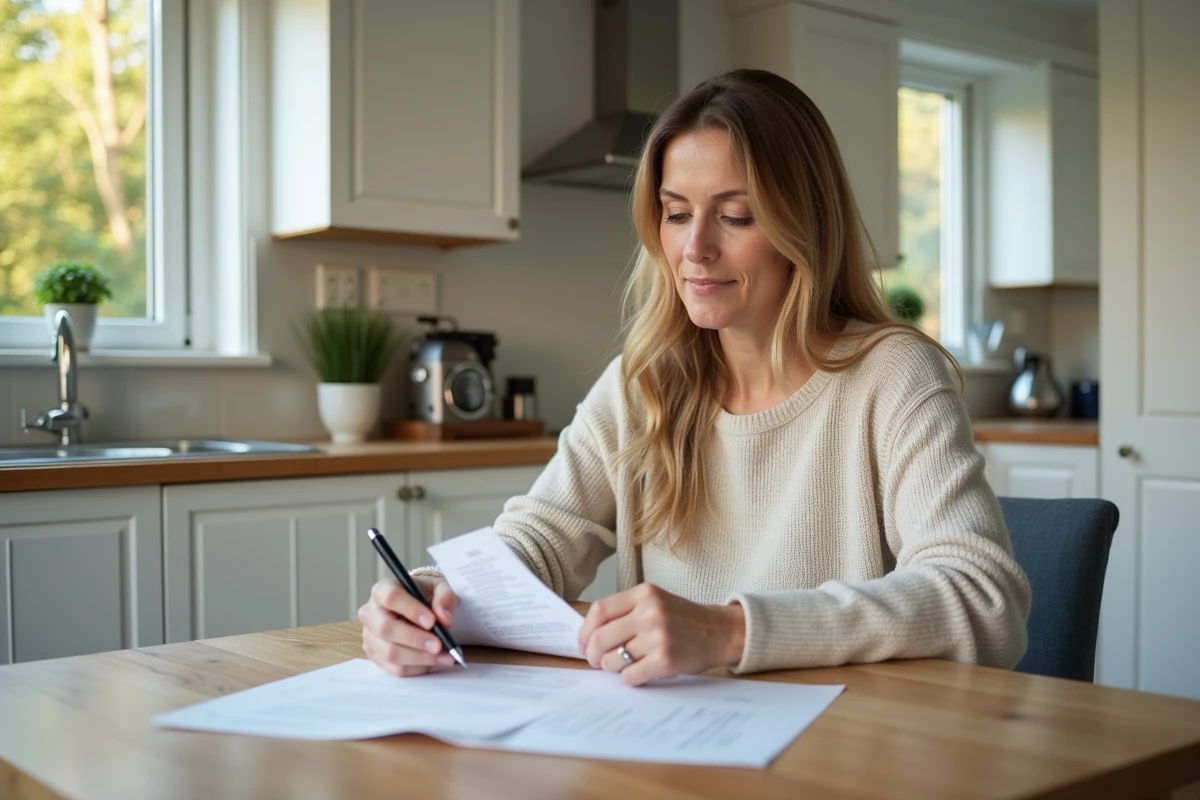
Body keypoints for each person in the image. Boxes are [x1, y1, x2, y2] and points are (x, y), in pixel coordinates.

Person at [358, 68, 1031, 686]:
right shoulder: (641, 382)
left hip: (846, 749)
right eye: (677, 213)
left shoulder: (891, 375)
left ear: (805, 225)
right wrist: (429, 599)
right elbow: (536, 541)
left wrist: (730, 629)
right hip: (676, 748)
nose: (695, 248)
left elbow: (983, 597)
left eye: (736, 216)